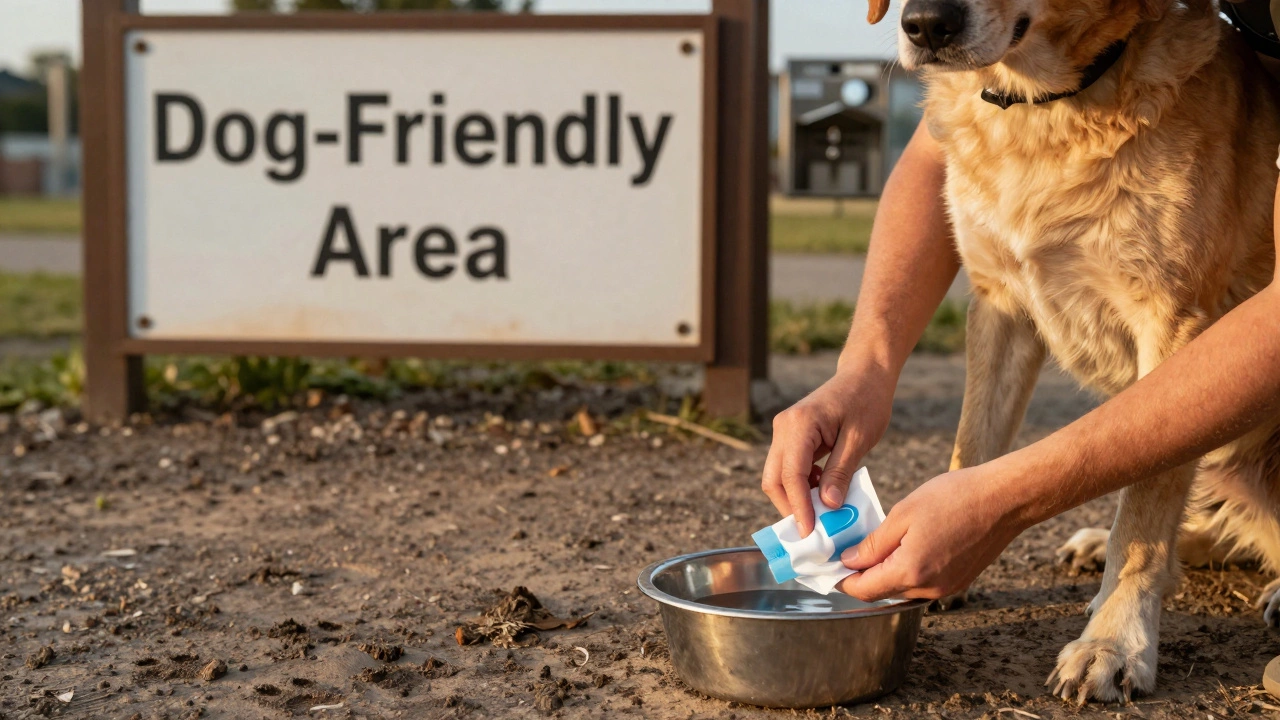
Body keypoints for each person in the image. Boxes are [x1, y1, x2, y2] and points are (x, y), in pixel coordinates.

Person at [762, 0, 1280, 608]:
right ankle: (1215, 527)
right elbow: (998, 296)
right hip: (1219, 460)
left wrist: (1001, 506)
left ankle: (1143, 573)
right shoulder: (978, 91)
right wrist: (864, 369)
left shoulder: (1186, 87)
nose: (928, 12)